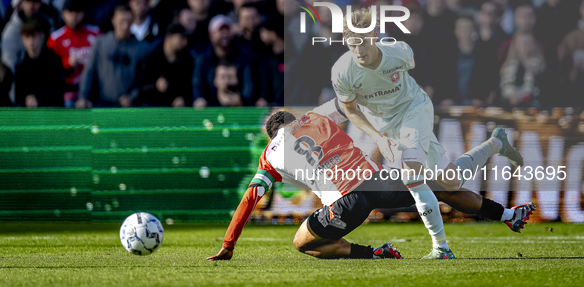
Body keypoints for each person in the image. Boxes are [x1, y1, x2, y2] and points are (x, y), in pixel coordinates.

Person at [207, 109, 535, 261]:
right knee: (446, 185)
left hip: (347, 200)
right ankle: (508, 214)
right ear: (293, 121)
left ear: (271, 135)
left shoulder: (269, 155)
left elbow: (249, 200)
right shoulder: (318, 117)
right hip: (377, 179)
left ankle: (376, 254)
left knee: (302, 243)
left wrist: (228, 245)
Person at [330, 7, 524, 258]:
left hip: (415, 109)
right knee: (451, 182)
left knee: (412, 176)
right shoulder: (342, 71)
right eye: (351, 44)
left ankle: (441, 248)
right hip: (388, 127)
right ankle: (496, 144)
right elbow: (351, 110)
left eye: (363, 42)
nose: (358, 51)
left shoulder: (399, 52)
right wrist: (378, 136)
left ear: (375, 35)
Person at [77, 6, 147, 108]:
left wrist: (132, 96)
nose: (125, 26)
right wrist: (82, 97)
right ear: (113, 21)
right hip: (103, 103)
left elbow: (144, 79)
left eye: (128, 21)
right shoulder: (100, 43)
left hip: (129, 106)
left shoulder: (142, 48)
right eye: (121, 21)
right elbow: (89, 71)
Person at [47, 0, 101, 107]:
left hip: (94, 88)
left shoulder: (96, 34)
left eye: (77, 12)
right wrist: (67, 63)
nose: (74, 16)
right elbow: (48, 68)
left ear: (84, 13)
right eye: (70, 12)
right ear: (63, 14)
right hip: (66, 88)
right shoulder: (55, 38)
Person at [138, 23, 192, 107]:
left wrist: (182, 98)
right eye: (181, 37)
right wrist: (155, 86)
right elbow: (141, 87)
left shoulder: (186, 59)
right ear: (169, 36)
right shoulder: (152, 58)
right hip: (153, 108)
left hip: (176, 111)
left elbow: (188, 86)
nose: (185, 42)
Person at [14, 19, 64, 107]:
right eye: (27, 37)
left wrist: (38, 99)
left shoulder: (54, 60)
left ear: (42, 36)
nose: (31, 42)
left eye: (34, 37)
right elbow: (19, 95)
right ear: (22, 39)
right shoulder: (21, 66)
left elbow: (58, 88)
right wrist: (27, 99)